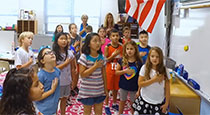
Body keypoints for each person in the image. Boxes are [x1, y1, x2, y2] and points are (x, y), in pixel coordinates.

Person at [132, 46, 170, 115]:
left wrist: (166, 103)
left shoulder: (165, 70)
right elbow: (140, 84)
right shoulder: (145, 68)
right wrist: (154, 80)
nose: (154, 58)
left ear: (161, 58)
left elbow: (167, 89)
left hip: (158, 102)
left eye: (157, 57)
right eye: (152, 56)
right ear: (149, 57)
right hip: (144, 100)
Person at [77, 33, 107, 115]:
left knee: (99, 111)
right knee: (87, 111)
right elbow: (82, 74)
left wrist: (105, 88)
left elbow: (104, 74)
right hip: (87, 91)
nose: (98, 43)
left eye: (99, 41)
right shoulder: (84, 57)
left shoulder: (102, 57)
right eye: (95, 41)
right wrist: (95, 66)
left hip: (99, 90)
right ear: (89, 44)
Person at [115, 40, 143, 114]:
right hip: (123, 86)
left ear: (135, 50)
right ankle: (120, 113)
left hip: (134, 86)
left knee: (133, 103)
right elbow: (116, 72)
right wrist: (124, 71)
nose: (129, 51)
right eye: (127, 49)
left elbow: (142, 77)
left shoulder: (139, 63)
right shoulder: (122, 60)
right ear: (125, 50)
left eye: (131, 49)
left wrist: (139, 89)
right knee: (122, 101)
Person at [52, 32, 75, 115]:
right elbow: (54, 68)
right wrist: (65, 63)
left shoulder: (70, 53)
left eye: (65, 39)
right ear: (56, 40)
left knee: (64, 99)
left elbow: (72, 68)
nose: (64, 41)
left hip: (67, 80)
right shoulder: (53, 53)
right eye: (61, 39)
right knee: (56, 100)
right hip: (57, 81)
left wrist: (72, 80)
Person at [35, 47, 60, 115]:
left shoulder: (57, 71)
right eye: (47, 53)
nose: (51, 53)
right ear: (42, 61)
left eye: (52, 52)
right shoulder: (40, 75)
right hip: (43, 110)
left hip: (54, 108)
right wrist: (52, 90)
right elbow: (37, 97)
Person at [104, 29, 123, 114]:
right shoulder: (107, 47)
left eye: (117, 36)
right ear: (110, 37)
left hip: (117, 70)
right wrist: (114, 55)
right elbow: (106, 60)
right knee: (108, 88)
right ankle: (106, 105)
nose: (115, 37)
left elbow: (123, 58)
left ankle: (114, 103)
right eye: (113, 36)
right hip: (109, 70)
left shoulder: (121, 47)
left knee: (116, 88)